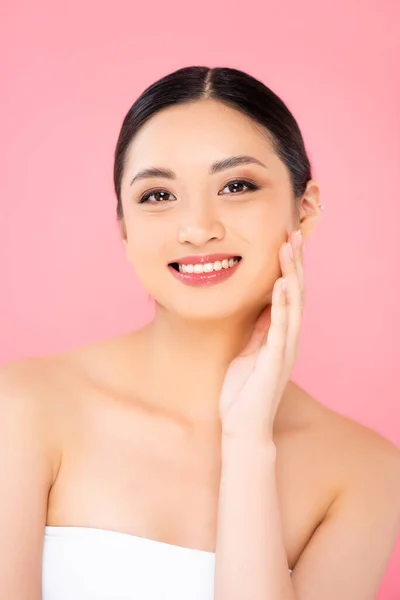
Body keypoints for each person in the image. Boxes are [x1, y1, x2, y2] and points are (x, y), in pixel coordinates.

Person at [1, 65, 399, 600]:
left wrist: (248, 443)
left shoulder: (366, 472)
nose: (197, 228)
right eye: (157, 196)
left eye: (236, 186)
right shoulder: (22, 408)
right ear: (123, 226)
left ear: (304, 209)